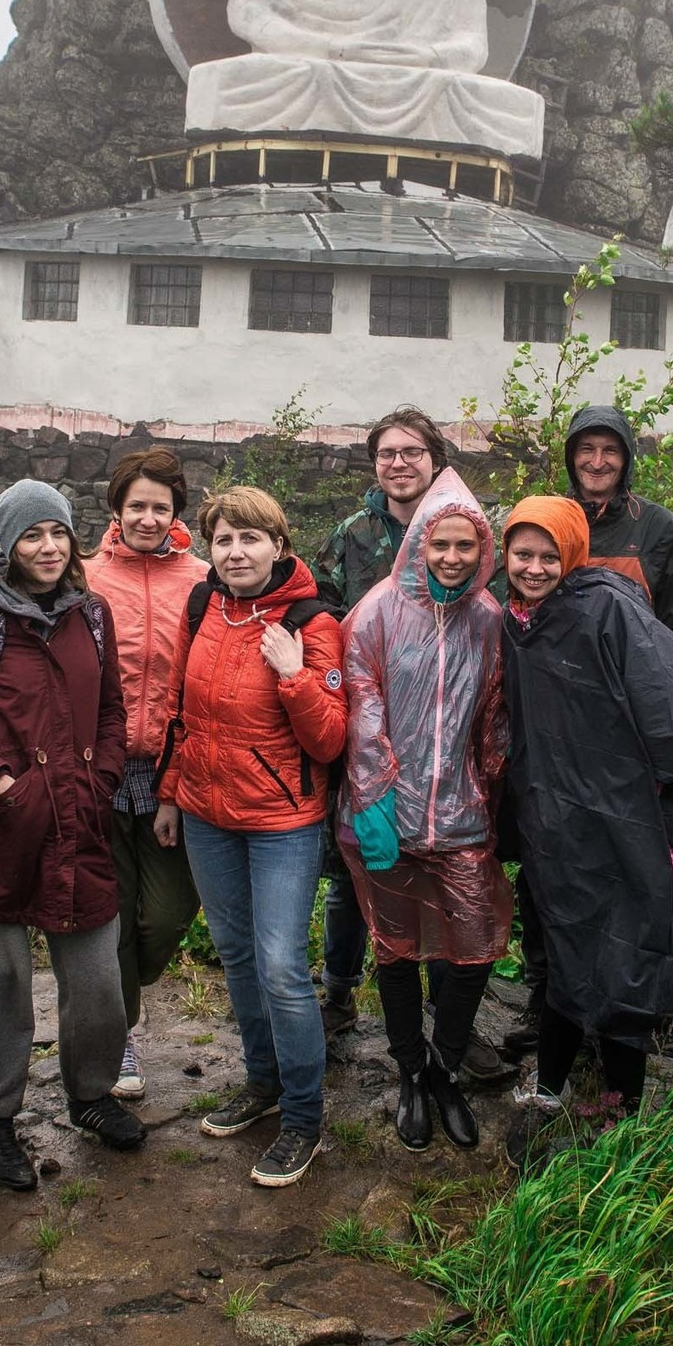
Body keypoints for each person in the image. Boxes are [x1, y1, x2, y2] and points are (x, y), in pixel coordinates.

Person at [496, 495, 673, 1139]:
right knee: (565, 948)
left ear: (571, 552)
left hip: (622, 818)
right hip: (556, 818)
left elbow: (664, 696)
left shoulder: (607, 608)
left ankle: (619, 1112)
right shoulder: (517, 619)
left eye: (548, 555)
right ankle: (550, 1089)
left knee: (627, 953)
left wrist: (669, 799)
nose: (535, 568)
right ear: (505, 556)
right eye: (522, 554)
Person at [0, 481, 144, 1192]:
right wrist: (0, 781)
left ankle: (92, 1096)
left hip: (80, 823)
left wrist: (102, 776)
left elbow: (111, 711)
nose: (47, 548)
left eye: (58, 533)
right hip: (1, 834)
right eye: (32, 536)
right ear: (9, 546)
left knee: (98, 977)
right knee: (0, 984)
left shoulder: (92, 616)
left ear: (74, 541)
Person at [161, 485, 349, 1188]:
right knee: (237, 956)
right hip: (209, 814)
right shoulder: (203, 606)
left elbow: (330, 742)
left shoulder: (311, 620)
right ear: (209, 549)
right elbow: (185, 712)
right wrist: (173, 792)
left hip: (281, 824)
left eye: (250, 538)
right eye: (223, 539)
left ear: (280, 545)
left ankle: (303, 1119)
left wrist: (295, 676)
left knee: (280, 969)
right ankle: (263, 1083)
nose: (235, 552)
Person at [336, 467, 511, 1151]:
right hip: (387, 818)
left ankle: (445, 1069)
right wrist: (375, 802)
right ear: (419, 544)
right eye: (441, 545)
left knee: (472, 949)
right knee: (397, 950)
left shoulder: (489, 619)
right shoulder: (378, 611)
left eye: (466, 547)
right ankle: (410, 1072)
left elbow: (494, 721)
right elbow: (362, 707)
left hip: (462, 820)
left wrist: (490, 799)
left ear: (481, 551)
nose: (452, 558)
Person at [312, 406, 449, 1040]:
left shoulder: (455, 529)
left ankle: (444, 1013)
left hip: (441, 731)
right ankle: (338, 993)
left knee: (439, 867)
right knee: (351, 870)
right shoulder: (351, 535)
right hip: (363, 727)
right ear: (375, 464)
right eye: (388, 453)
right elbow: (320, 617)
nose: (399, 463)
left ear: (434, 459)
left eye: (411, 452)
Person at [81, 448, 208, 1098]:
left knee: (164, 915)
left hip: (170, 773)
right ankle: (122, 1034)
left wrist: (178, 787)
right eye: (138, 506)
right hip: (100, 768)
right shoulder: (85, 577)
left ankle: (135, 989)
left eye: (161, 507)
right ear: (116, 509)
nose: (149, 517)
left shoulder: (203, 579)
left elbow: (205, 687)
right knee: (116, 915)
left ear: (176, 512)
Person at [563, 405, 673, 630]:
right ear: (572, 456)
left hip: (635, 662)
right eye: (587, 449)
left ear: (626, 459)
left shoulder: (657, 526)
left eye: (610, 451)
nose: (597, 463)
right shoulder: (551, 521)